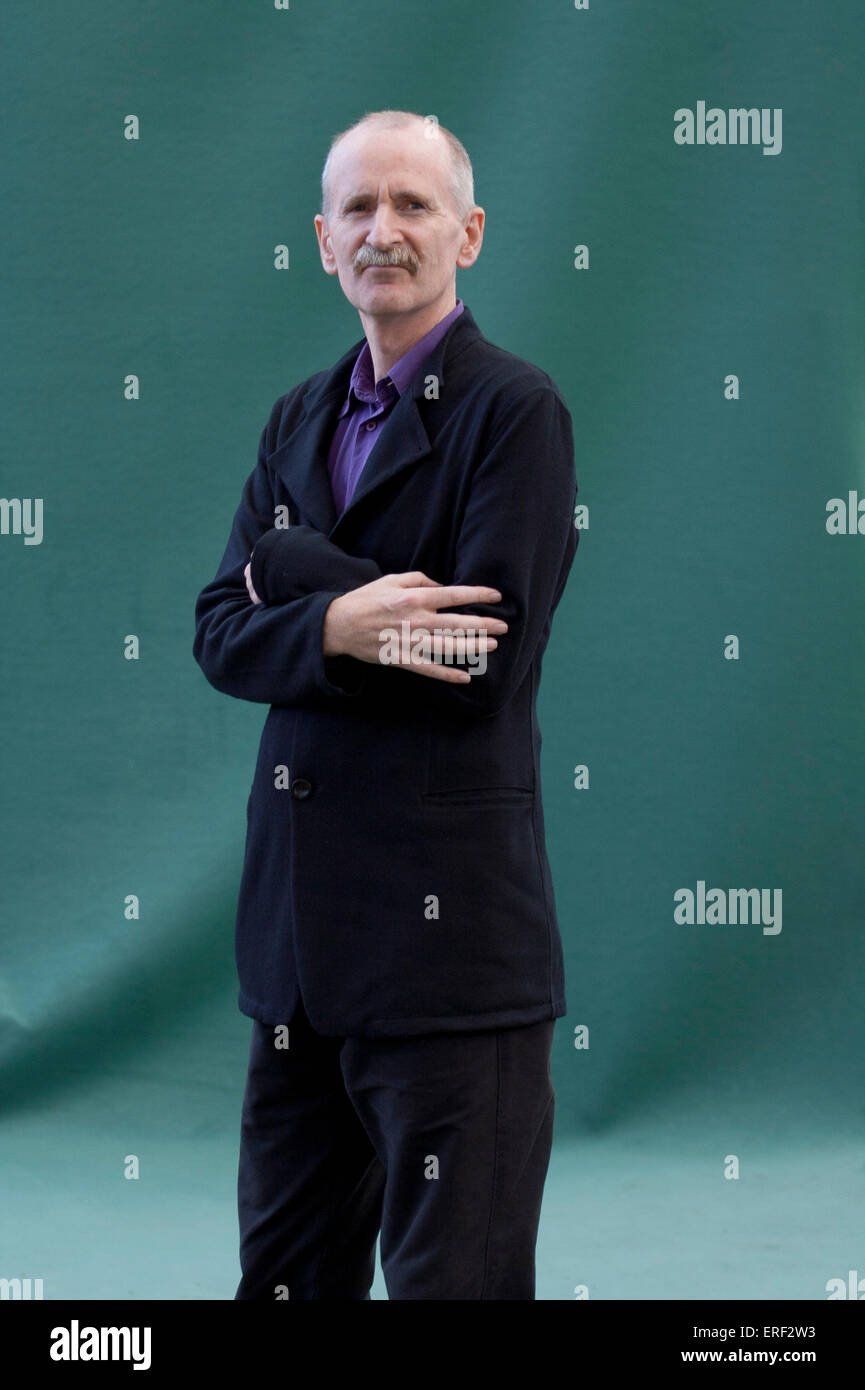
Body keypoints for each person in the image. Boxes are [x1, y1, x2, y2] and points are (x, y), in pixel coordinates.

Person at [193, 108, 580, 1300]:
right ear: (321, 240)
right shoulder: (292, 418)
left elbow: (477, 660)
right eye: (357, 208)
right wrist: (340, 620)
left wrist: (298, 575)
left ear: (466, 233)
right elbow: (218, 630)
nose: (383, 230)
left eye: (411, 205)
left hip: (444, 962)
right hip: (297, 964)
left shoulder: (516, 414)